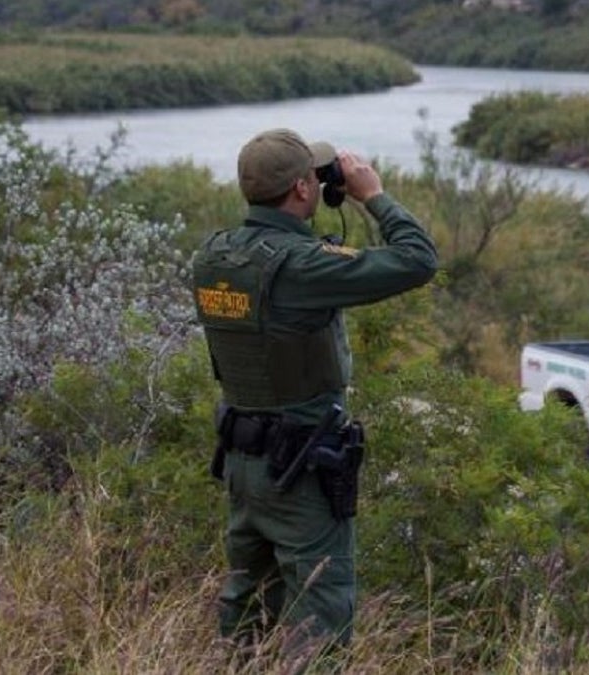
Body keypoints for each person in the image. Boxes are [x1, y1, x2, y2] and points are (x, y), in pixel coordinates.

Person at [191, 128, 438, 656]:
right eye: (314, 177)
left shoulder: (213, 257)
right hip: (299, 470)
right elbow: (419, 259)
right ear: (304, 189)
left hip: (242, 463)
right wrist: (372, 195)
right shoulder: (301, 266)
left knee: (247, 609)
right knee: (320, 625)